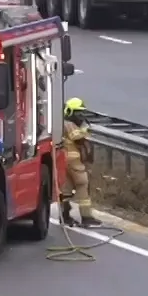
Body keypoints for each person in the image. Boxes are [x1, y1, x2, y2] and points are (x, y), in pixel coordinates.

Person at [60, 97, 100, 226]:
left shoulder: (62, 123)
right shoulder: (69, 125)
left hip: (64, 161)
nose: (81, 115)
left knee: (66, 190)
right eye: (78, 112)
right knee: (83, 185)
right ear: (70, 112)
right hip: (74, 161)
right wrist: (85, 132)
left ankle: (64, 215)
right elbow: (79, 140)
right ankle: (86, 216)